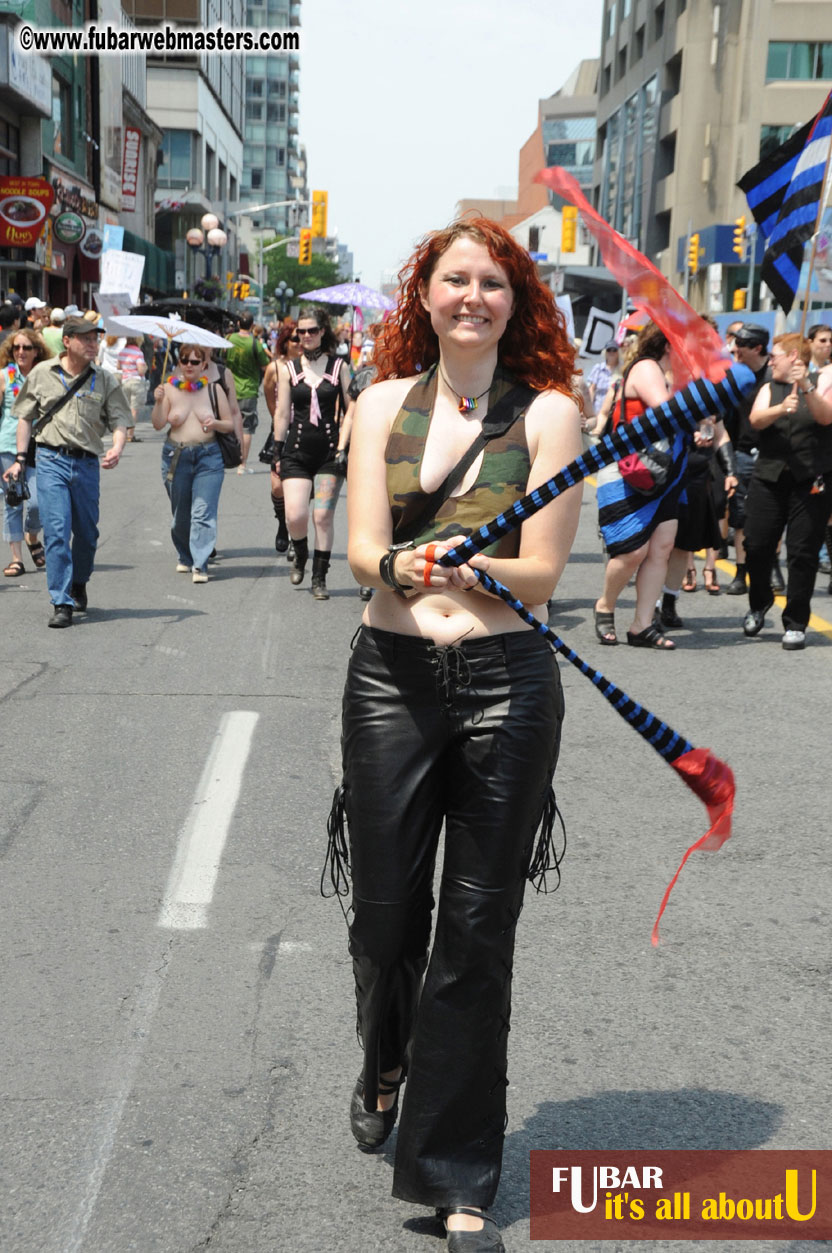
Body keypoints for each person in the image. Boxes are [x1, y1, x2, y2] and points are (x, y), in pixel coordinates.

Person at [330, 218, 581, 1252]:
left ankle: (457, 1167)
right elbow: (358, 549)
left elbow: (543, 572)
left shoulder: (553, 414)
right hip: (389, 679)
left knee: (476, 934)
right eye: (453, 279)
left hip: (505, 685)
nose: (471, 295)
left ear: (514, 301)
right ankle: (387, 1055)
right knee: (387, 920)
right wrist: (403, 569)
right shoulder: (380, 403)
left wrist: (481, 569)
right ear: (423, 295)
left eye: (491, 282)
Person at [2, 317, 131, 626]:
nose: (93, 344)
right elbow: (25, 417)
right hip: (50, 461)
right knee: (57, 531)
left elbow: (120, 420)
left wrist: (117, 446)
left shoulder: (104, 379)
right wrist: (21, 458)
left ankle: (79, 581)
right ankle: (61, 600)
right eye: (86, 338)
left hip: (87, 463)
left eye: (95, 339)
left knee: (87, 534)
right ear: (68, 341)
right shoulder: (41, 374)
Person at [593, 322, 684, 649]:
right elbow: (666, 412)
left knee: (661, 547)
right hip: (629, 467)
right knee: (632, 550)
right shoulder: (647, 367)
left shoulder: (666, 373)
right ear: (668, 344)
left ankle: (642, 625)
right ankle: (605, 604)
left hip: (664, 470)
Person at [742, 333, 832, 649]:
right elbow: (755, 420)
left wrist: (806, 387)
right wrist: (781, 409)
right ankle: (760, 600)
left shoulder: (822, 381)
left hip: (810, 481)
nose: (772, 359)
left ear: (793, 357)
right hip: (769, 477)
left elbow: (826, 416)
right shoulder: (770, 387)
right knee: (756, 544)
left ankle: (795, 623)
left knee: (802, 552)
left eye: (777, 354)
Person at [273, 305, 351, 599]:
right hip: (295, 451)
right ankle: (301, 553)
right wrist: (277, 452)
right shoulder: (288, 369)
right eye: (301, 331)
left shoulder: (339, 367)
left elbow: (350, 409)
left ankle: (320, 577)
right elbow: (282, 413)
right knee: (295, 515)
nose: (306, 336)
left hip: (330, 453)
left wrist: (345, 447)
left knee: (322, 516)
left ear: (323, 332)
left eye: (312, 330)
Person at [150, 342, 234, 583]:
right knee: (181, 515)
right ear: (178, 363)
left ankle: (200, 563)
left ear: (203, 365)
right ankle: (185, 555)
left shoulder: (213, 390)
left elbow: (228, 423)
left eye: (194, 361)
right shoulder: (168, 389)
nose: (189, 365)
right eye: (184, 360)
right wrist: (158, 402)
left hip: (208, 457)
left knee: (202, 512)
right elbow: (157, 424)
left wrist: (214, 424)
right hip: (176, 458)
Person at [723, 323, 772, 595]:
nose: (734, 349)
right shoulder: (734, 376)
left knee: (773, 518)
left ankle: (770, 568)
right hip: (740, 454)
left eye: (740, 344)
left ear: (757, 348)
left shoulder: (777, 378)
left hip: (772, 457)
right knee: (740, 517)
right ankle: (741, 573)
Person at [0, 328, 51, 576]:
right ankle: (16, 559)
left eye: (26, 348)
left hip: (39, 445)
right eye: (16, 348)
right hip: (9, 445)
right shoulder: (4, 377)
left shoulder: (45, 376)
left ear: (36, 351)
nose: (21, 352)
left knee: (37, 504)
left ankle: (32, 536)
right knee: (13, 502)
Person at [263, 321, 301, 553]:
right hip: (281, 432)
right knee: (278, 487)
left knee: (300, 488)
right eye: (295, 339)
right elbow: (268, 393)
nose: (300, 343)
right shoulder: (274, 368)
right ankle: (282, 525)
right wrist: (277, 418)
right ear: (285, 342)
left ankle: (297, 534)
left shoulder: (309, 367)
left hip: (305, 431)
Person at [226, 311, 269, 472]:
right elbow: (265, 365)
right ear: (252, 326)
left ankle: (226, 458)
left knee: (227, 424)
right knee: (246, 428)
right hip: (249, 389)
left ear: (238, 324)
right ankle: (241, 464)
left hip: (229, 388)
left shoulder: (229, 339)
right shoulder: (255, 343)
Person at [116, 336, 148, 442]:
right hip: (136, 382)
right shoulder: (138, 352)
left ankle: (123, 433)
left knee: (126, 408)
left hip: (125, 381)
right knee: (134, 409)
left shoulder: (122, 352)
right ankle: (130, 434)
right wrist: (145, 367)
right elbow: (141, 370)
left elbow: (118, 366)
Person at [587, 341, 621, 415]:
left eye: (614, 350)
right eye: (609, 350)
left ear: (618, 353)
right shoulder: (598, 368)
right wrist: (588, 410)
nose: (611, 352)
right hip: (597, 408)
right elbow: (592, 389)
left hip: (614, 410)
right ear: (605, 352)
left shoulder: (621, 369)